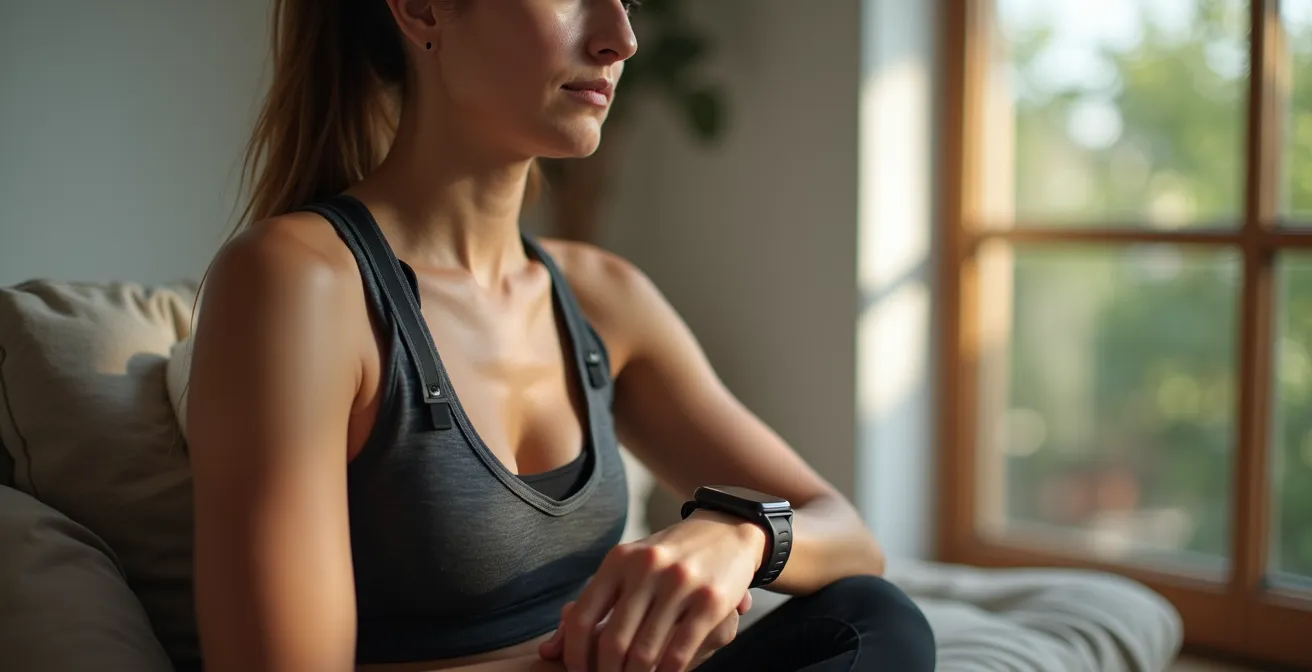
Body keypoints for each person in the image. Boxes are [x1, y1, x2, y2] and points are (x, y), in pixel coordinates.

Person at [186, 0, 936, 670]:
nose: (623, 38)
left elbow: (848, 537)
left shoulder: (602, 297)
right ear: (422, 11)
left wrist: (736, 537)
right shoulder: (299, 282)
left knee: (873, 619)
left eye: (628, 0)